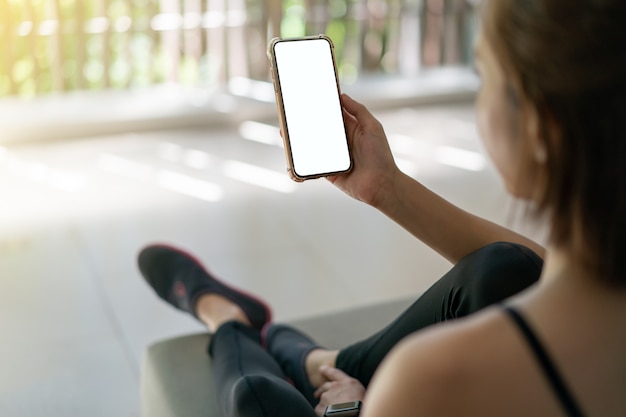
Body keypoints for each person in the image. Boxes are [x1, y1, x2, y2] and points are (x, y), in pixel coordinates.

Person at [138, 0, 626, 416]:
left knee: (258, 397)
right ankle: (318, 360)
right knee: (504, 268)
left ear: (542, 129)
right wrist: (384, 188)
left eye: (484, 73)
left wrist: (352, 408)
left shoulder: (425, 383)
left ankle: (226, 318)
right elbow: (541, 268)